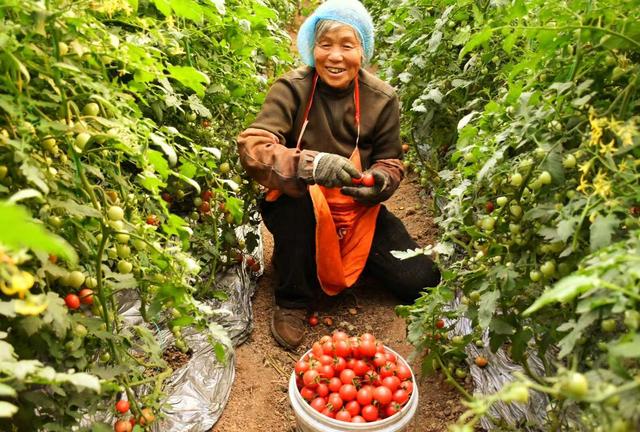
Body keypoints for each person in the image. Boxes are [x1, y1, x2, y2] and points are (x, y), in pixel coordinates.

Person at [237, 0, 440, 350]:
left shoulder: (381, 98)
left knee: (421, 280)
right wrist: (310, 167)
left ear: (363, 50)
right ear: (312, 48)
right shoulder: (292, 89)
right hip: (298, 202)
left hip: (355, 210)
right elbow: (253, 146)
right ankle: (293, 298)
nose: (335, 56)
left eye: (347, 45)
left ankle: (343, 261)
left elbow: (391, 160)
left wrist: (380, 182)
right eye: (325, 44)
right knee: (298, 216)